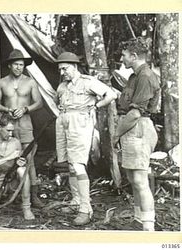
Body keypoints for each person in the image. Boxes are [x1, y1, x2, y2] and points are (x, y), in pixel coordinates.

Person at [55, 52, 117, 226]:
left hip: (80, 123)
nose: (62, 72)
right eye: (60, 69)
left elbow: (111, 95)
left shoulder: (87, 81)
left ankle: (86, 208)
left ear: (74, 67)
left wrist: (96, 106)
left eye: (65, 68)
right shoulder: (62, 86)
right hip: (63, 121)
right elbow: (56, 101)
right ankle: (76, 200)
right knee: (69, 164)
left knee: (78, 164)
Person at [114, 37, 160, 231]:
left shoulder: (145, 76)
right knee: (133, 179)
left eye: (124, 55)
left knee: (140, 180)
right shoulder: (134, 76)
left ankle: (148, 228)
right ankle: (138, 219)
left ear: (133, 56)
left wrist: (116, 134)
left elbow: (135, 113)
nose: (121, 59)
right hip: (131, 128)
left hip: (138, 127)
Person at [0, 49, 44, 208]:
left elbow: (39, 102)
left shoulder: (30, 82)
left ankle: (33, 195)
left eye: (21, 65)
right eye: (16, 64)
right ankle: (9, 192)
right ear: (10, 65)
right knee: (7, 157)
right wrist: (6, 110)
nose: (19, 68)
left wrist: (25, 109)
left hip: (25, 123)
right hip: (8, 124)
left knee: (29, 160)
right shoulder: (2, 82)